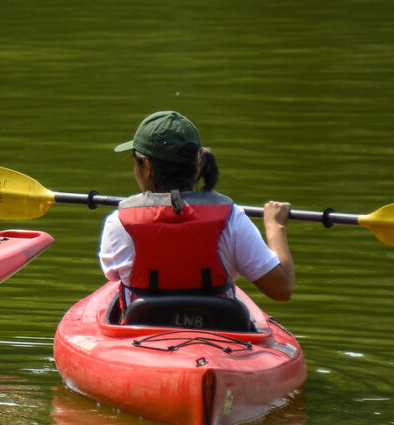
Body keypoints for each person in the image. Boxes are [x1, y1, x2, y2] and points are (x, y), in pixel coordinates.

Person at [98, 110, 294, 308]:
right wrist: (275, 225)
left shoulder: (119, 222)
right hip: (216, 332)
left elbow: (112, 275)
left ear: (146, 166)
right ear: (196, 163)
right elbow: (282, 288)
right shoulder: (231, 218)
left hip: (141, 333)